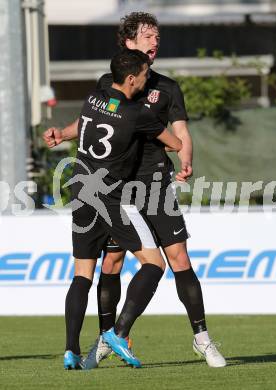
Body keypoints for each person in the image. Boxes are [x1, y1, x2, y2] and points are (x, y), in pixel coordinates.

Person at [43, 12, 226, 369]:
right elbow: (89, 121)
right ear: (129, 43)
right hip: (119, 190)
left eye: (156, 35)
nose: (154, 41)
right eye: (146, 35)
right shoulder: (111, 82)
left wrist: (187, 160)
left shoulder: (168, 87)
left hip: (155, 183)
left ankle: (202, 339)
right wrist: (63, 134)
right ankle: (109, 337)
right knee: (111, 262)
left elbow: (181, 134)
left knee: (179, 259)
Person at [62, 49, 182, 369]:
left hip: (80, 189)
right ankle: (116, 333)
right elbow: (175, 143)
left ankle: (70, 350)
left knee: (82, 275)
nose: (146, 79)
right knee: (154, 264)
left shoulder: (93, 99)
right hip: (112, 197)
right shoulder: (137, 113)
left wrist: (61, 133)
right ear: (131, 79)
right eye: (144, 74)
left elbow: (94, 119)